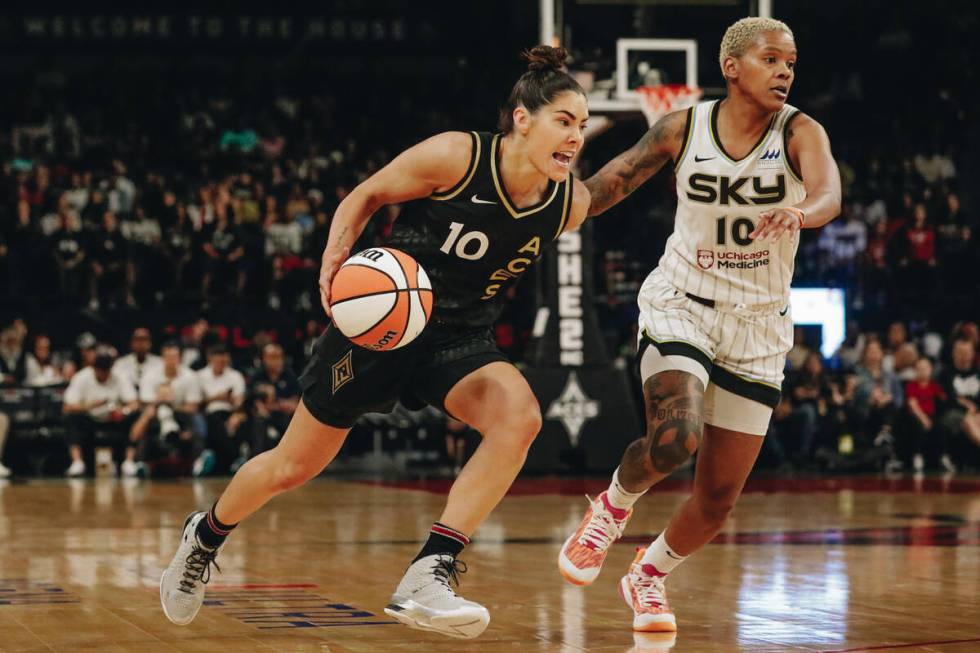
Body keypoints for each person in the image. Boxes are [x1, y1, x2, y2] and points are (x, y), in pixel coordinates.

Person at [160, 45, 590, 639]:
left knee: (519, 418)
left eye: (583, 127)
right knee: (291, 467)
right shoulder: (458, 156)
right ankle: (204, 536)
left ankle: (429, 572)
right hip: (383, 325)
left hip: (458, 337)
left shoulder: (570, 203)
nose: (576, 137)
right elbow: (366, 194)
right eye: (564, 121)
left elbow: (623, 176)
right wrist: (335, 260)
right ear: (523, 118)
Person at [557, 17, 840, 633]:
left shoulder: (801, 132)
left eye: (791, 61)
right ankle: (611, 508)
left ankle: (648, 575)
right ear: (732, 66)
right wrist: (550, 213)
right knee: (676, 436)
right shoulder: (685, 126)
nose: (786, 71)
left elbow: (828, 194)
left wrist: (801, 212)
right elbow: (614, 180)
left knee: (716, 501)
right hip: (683, 302)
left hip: (760, 325)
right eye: (771, 59)